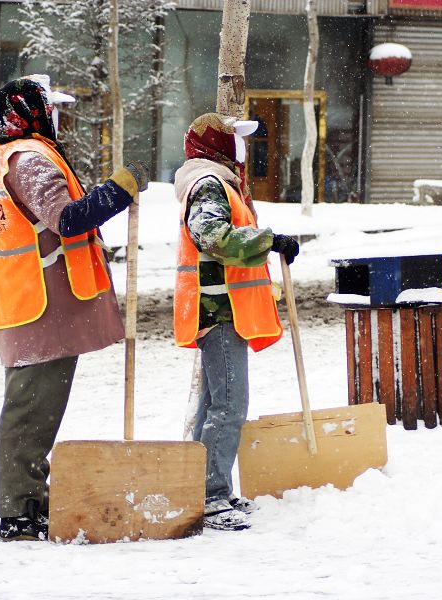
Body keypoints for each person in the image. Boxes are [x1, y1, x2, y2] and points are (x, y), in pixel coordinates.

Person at [0, 75, 148, 542]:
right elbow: (69, 219)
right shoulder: (27, 160)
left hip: (34, 303)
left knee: (36, 408)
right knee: (30, 410)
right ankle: (18, 509)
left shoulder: (10, 156)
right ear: (31, 111)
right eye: (50, 108)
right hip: (38, 305)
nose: (56, 117)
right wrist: (119, 189)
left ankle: (29, 499)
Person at [173, 113, 300, 531]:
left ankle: (207, 488)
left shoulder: (219, 182)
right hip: (219, 311)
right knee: (229, 406)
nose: (243, 148)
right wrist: (269, 241)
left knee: (214, 404)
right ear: (217, 144)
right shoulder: (209, 184)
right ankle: (209, 497)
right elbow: (211, 235)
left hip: (223, 310)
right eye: (236, 139)